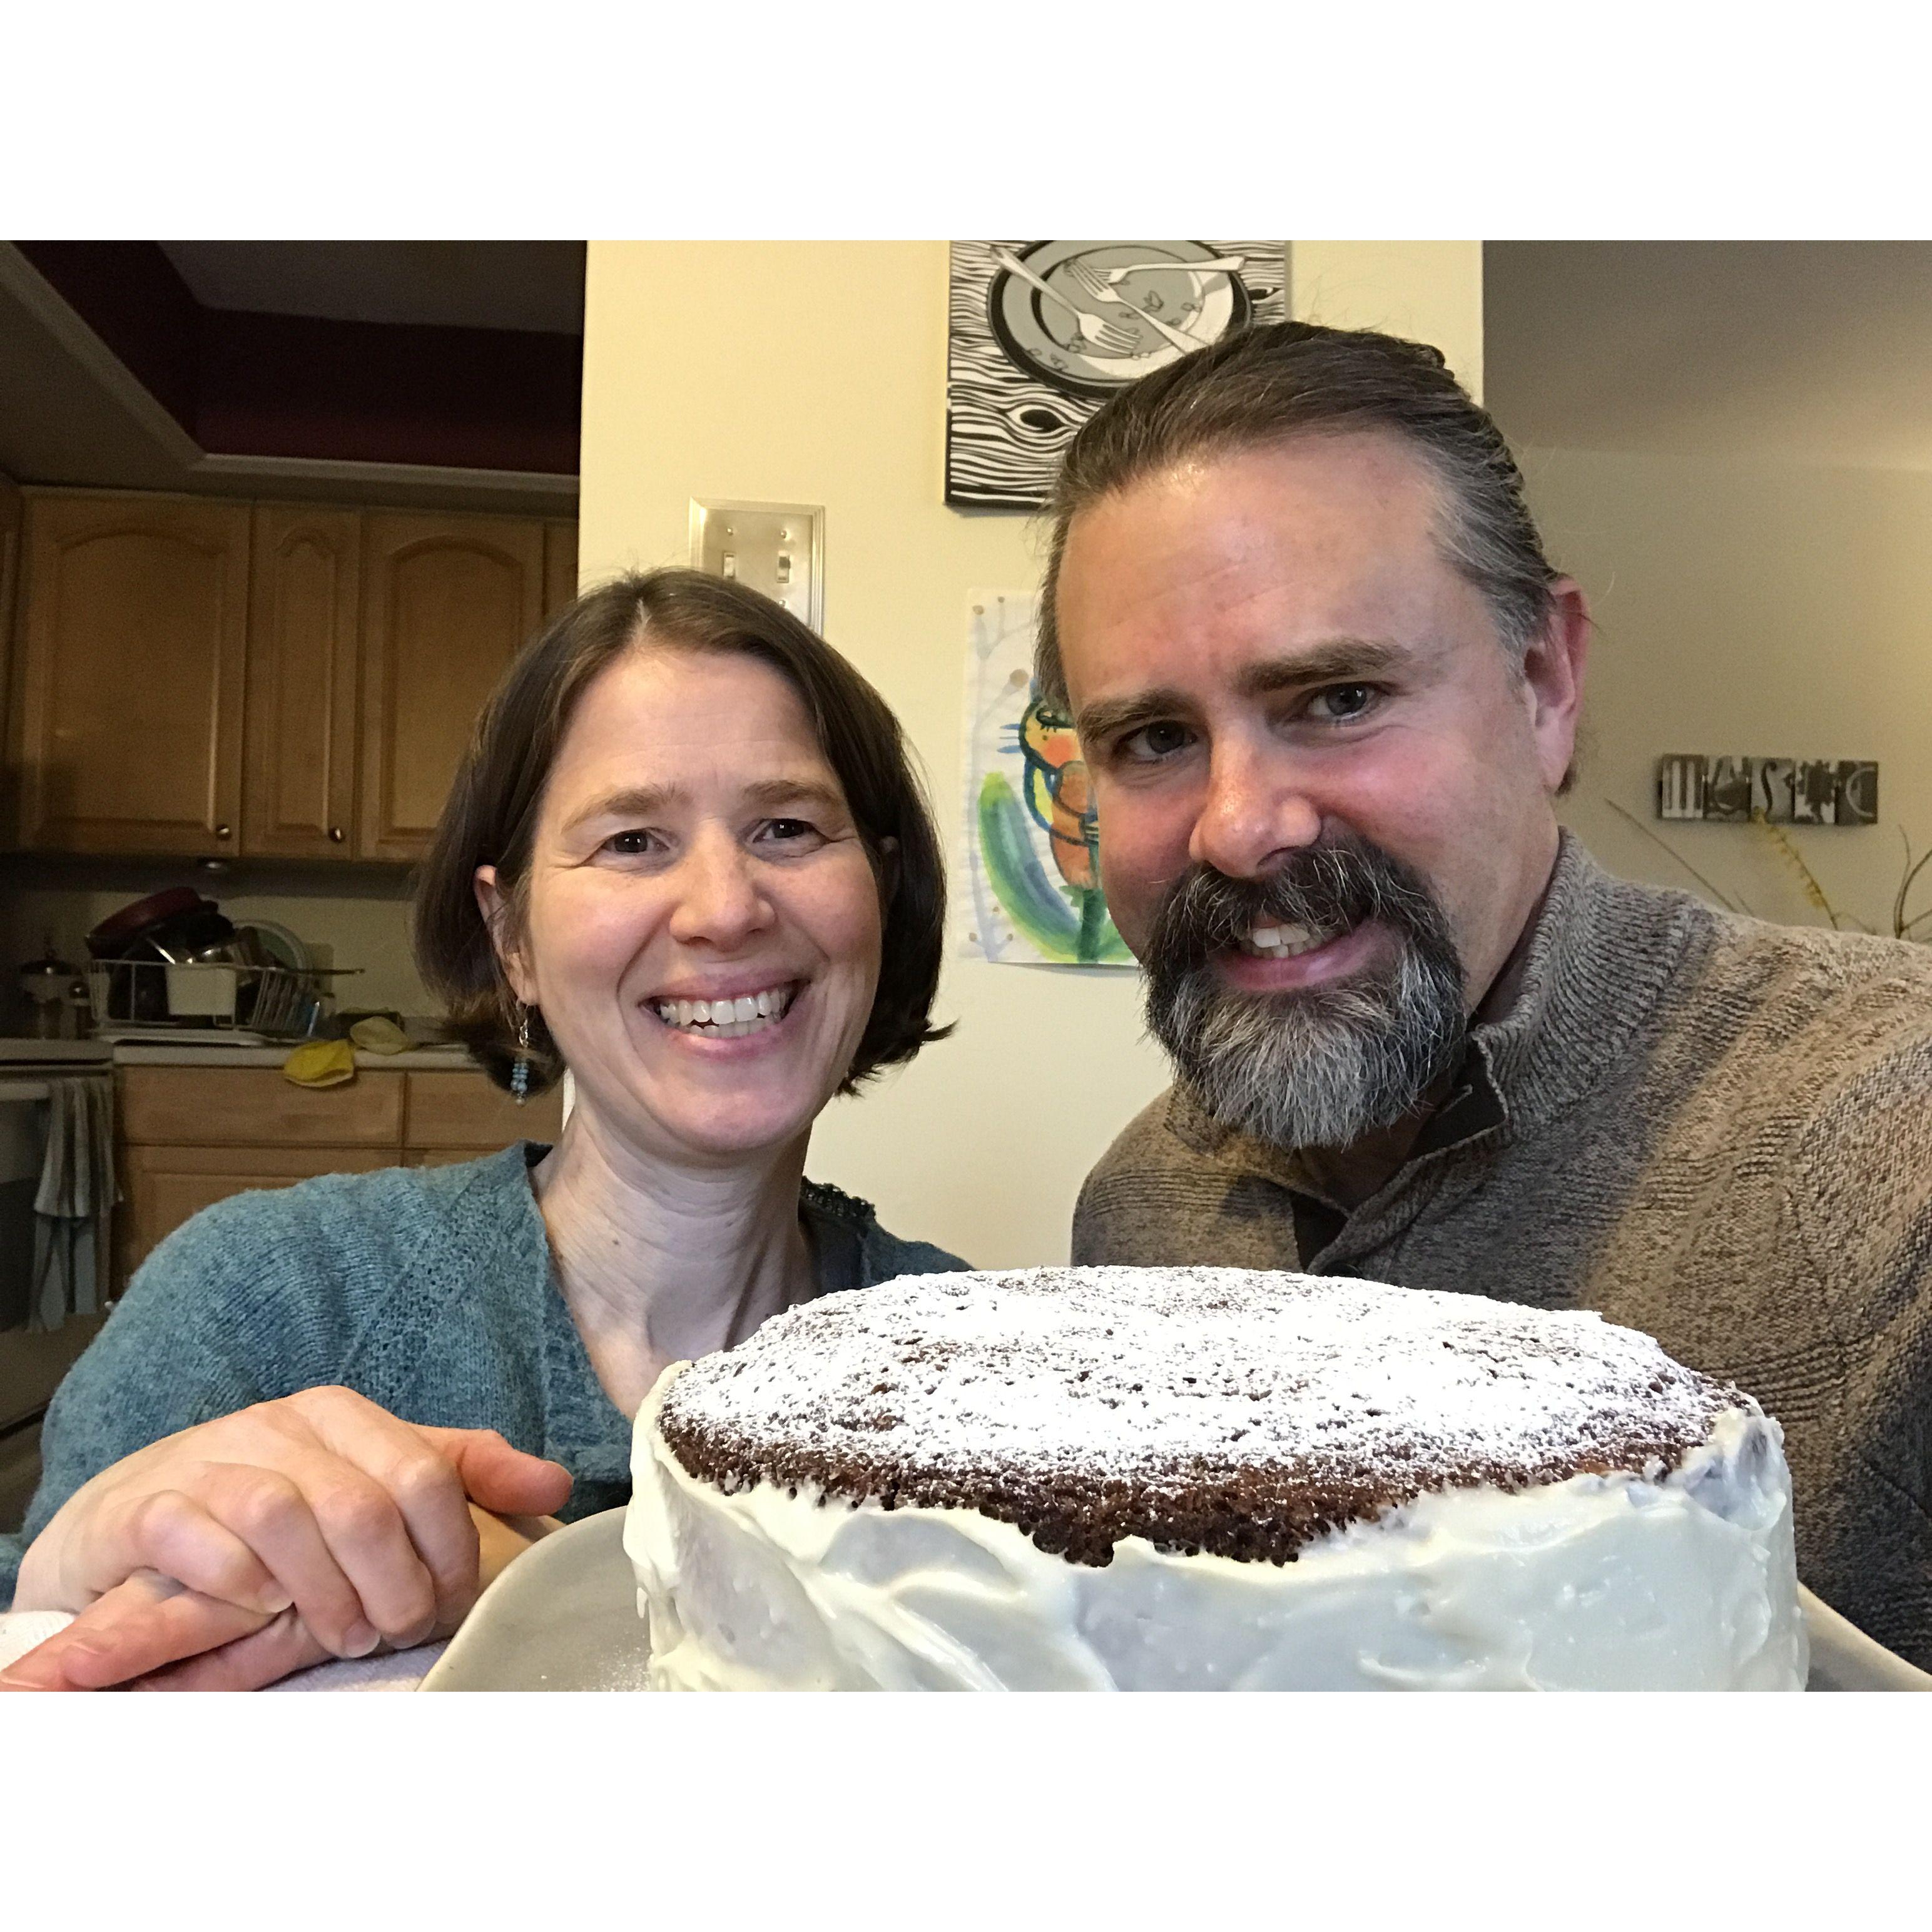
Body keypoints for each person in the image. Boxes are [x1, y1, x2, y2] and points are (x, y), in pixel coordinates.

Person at [1039, 320, 1932, 1667]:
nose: (1237, 827)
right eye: (1152, 738)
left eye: (1337, 696)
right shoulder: (1136, 1209)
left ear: (1544, 682)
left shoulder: (1887, 1146)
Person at [0, 567, 965, 1690]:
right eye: (633, 842)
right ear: (511, 939)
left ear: (879, 899)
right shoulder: (271, 1297)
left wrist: (552, 1606)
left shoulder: (987, 1369)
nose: (725, 908)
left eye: (788, 827)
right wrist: (57, 1578)